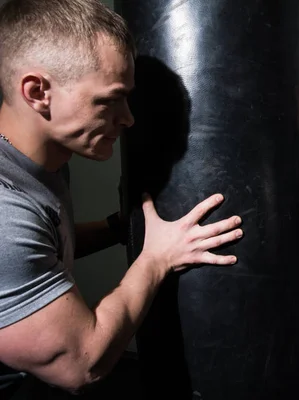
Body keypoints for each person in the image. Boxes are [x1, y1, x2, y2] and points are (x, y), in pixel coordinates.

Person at [0, 0, 244, 397]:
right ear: (37, 91)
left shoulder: (39, 162)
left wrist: (118, 229)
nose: (128, 118)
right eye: (108, 100)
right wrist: (157, 258)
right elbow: (83, 363)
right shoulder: (4, 210)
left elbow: (40, 246)